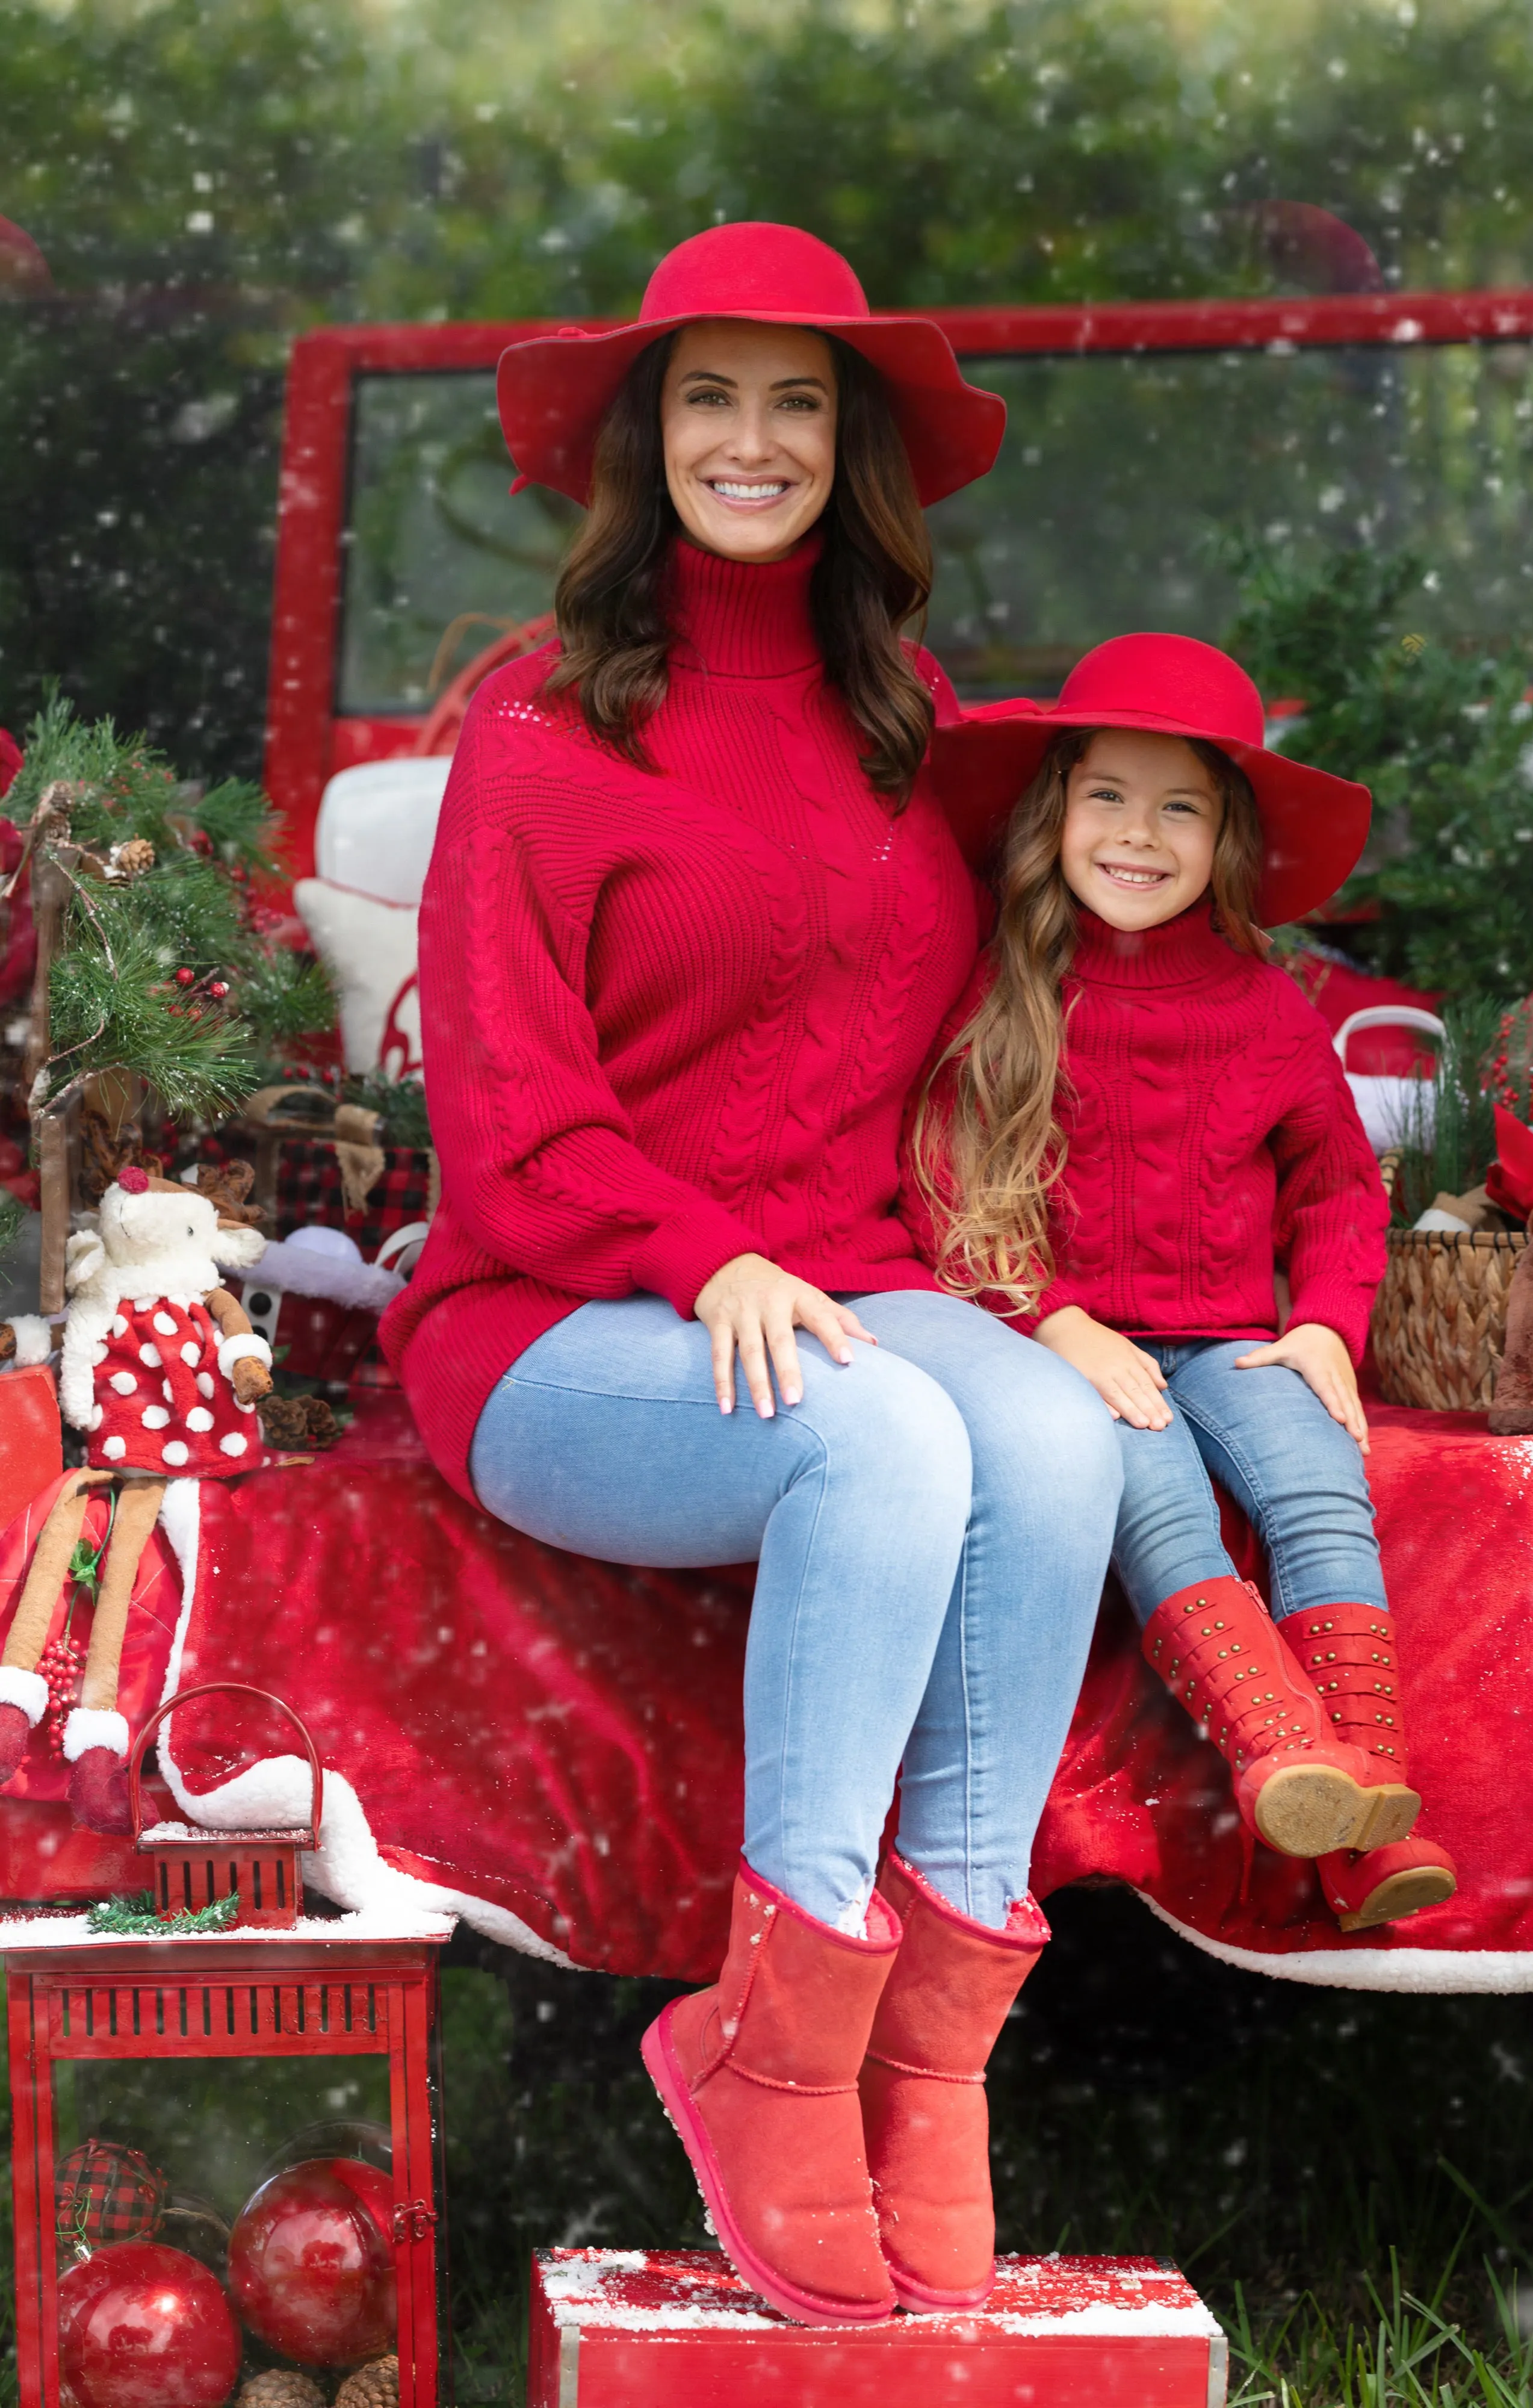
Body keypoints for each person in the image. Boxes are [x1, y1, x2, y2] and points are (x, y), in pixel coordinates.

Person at [380, 223, 1124, 2329]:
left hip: (840, 1280)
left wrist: (1068, 1281)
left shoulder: (913, 725)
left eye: (799, 402)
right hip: (556, 1315)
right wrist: (697, 1250)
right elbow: (512, 1117)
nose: (753, 440)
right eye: (708, 397)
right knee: (880, 1443)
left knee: (1054, 1447)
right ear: (645, 439)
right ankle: (765, 2046)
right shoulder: (542, 730)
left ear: (853, 451)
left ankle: (930, 2062)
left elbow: (990, 1047)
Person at [911, 634, 1458, 1936]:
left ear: (1227, 840)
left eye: (1180, 807)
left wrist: (1330, 1321)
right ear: (1056, 814)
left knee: (1319, 1480)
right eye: (1107, 794)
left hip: (1232, 1337)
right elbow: (943, 1182)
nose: (1138, 834)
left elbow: (1335, 1182)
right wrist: (1056, 1325)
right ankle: (1278, 1755)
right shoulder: (1007, 988)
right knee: (1152, 1489)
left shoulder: (1271, 1009)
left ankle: (1373, 1809)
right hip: (1072, 1342)